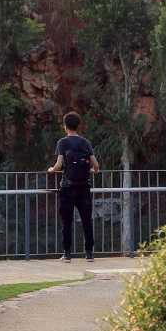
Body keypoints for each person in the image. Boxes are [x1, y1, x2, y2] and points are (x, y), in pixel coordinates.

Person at [48, 111, 99, 262]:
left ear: (65, 126)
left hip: (68, 187)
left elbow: (58, 165)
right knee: (86, 220)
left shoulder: (62, 143)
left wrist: (51, 169)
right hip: (84, 187)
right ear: (78, 125)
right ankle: (89, 253)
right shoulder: (85, 143)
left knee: (67, 221)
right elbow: (96, 165)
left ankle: (67, 254)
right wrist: (94, 171)